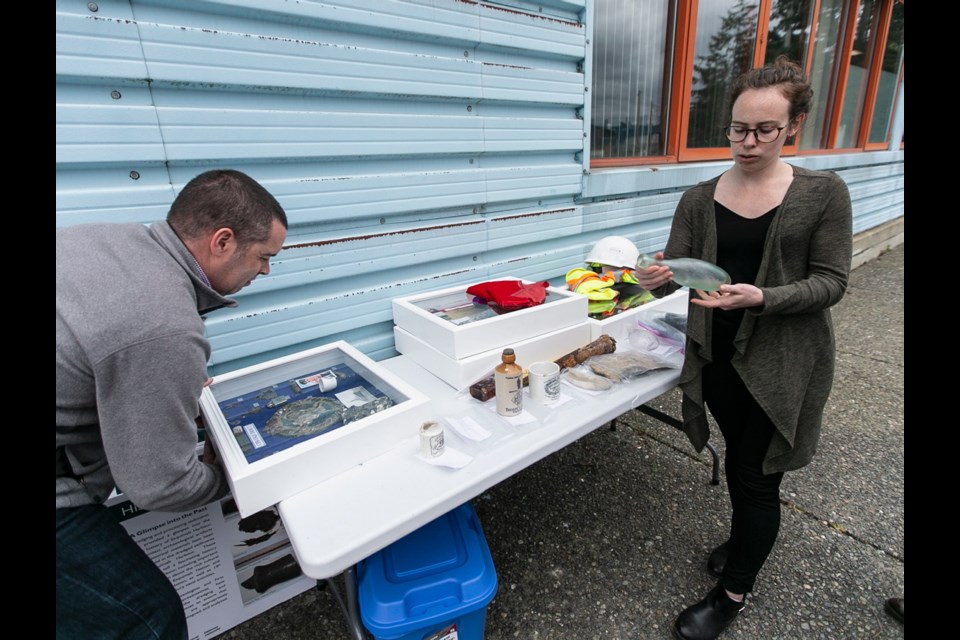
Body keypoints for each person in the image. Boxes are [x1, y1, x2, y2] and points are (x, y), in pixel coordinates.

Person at [634, 57, 852, 640]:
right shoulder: (699, 196)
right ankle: (744, 543)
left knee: (757, 477)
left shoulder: (822, 193)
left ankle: (732, 594)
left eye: (764, 130)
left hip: (781, 364)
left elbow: (833, 281)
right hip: (717, 356)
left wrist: (762, 297)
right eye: (737, 128)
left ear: (793, 126)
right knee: (740, 463)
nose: (747, 142)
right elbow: (681, 265)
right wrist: (657, 276)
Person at [56, 169, 288, 639]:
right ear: (222, 241)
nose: (265, 271)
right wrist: (234, 479)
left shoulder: (108, 239)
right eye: (264, 257)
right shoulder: (164, 325)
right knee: (148, 618)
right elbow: (160, 487)